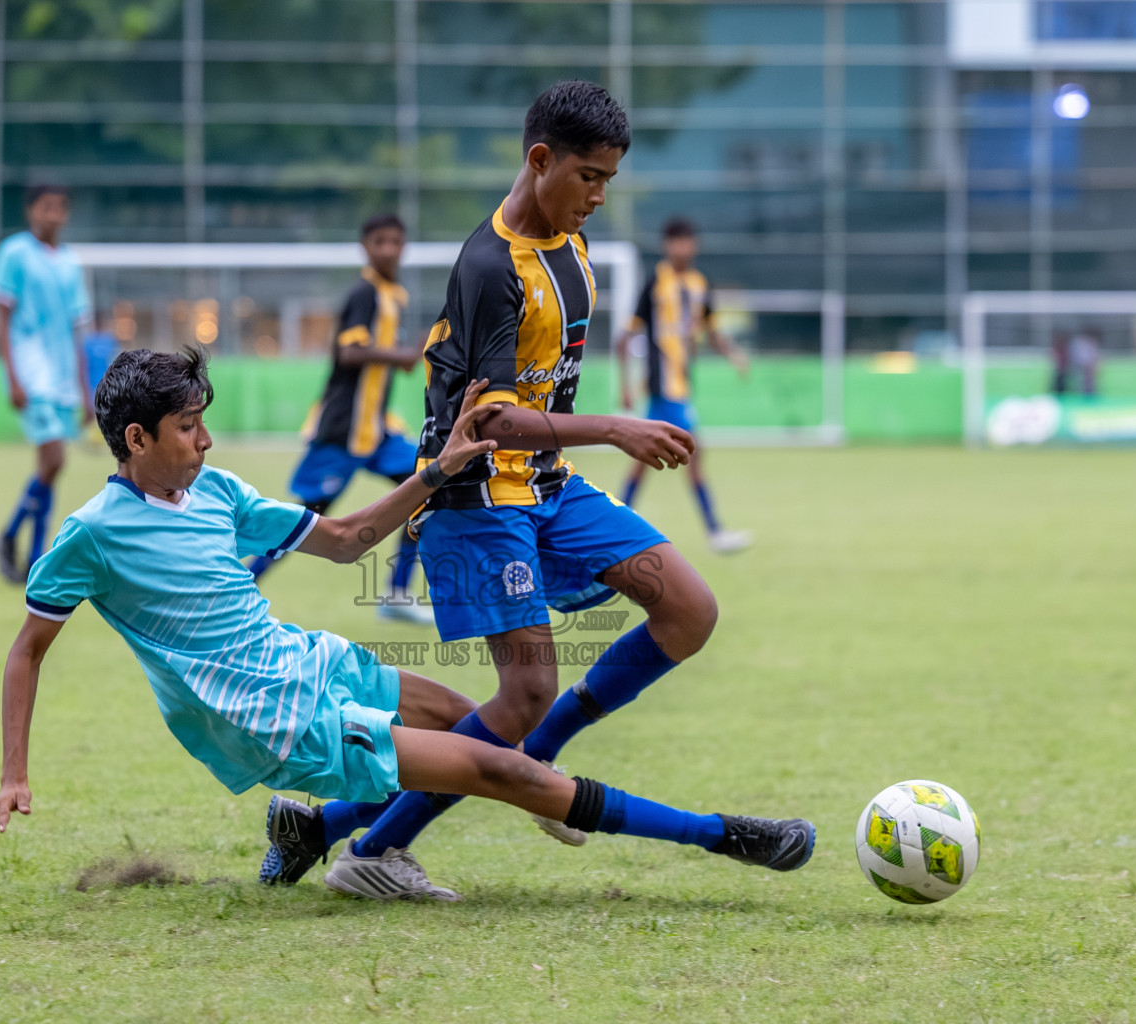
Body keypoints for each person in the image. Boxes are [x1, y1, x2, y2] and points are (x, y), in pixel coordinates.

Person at [0, 350, 816, 904]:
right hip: (261, 711)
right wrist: (12, 774)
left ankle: (321, 829)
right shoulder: (89, 535)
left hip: (303, 657)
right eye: (189, 427)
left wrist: (435, 473)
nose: (207, 439)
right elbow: (28, 648)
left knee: (470, 719)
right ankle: (724, 838)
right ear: (137, 437)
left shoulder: (216, 493)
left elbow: (342, 540)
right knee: (496, 765)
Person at [255, 81, 810, 899]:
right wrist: (619, 427)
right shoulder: (490, 266)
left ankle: (343, 818)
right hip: (476, 497)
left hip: (552, 487)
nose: (598, 195)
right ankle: (370, 849)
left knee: (689, 609)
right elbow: (495, 423)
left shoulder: (572, 246)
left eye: (609, 180)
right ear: (540, 160)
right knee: (522, 696)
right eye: (588, 176)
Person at [248, 214, 431, 626]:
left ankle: (398, 594)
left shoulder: (392, 295)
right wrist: (401, 355)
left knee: (424, 489)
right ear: (365, 246)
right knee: (307, 518)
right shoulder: (364, 293)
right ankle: (242, 582)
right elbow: (350, 353)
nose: (388, 249)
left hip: (376, 431)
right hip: (342, 431)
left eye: (396, 242)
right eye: (380, 241)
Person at [615, 217, 751, 554]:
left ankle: (615, 524)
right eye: (676, 242)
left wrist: (734, 354)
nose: (682, 248)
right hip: (663, 388)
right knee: (692, 452)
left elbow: (713, 330)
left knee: (646, 460)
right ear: (667, 246)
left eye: (687, 241)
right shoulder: (654, 284)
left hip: (683, 386)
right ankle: (715, 532)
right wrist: (627, 385)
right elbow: (625, 337)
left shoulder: (699, 284)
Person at [0, 184, 93, 583]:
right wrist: (12, 375)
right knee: (55, 460)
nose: (54, 215)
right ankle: (33, 555)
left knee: (50, 467)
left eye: (61, 208)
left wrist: (86, 390)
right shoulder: (14, 252)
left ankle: (13, 537)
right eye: (47, 207)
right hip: (30, 374)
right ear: (31, 210)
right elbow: (1, 316)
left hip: (63, 378)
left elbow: (77, 329)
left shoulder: (70, 263)